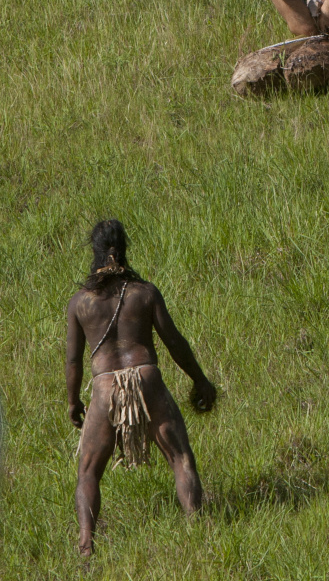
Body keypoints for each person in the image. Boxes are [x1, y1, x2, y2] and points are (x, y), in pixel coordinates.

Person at [66, 220, 216, 556]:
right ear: (123, 249)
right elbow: (174, 342)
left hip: (105, 387)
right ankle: (198, 533)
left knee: (88, 472)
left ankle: (86, 545)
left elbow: (73, 363)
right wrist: (200, 380)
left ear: (94, 251)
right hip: (147, 379)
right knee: (180, 458)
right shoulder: (144, 293)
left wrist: (74, 401)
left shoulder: (81, 303)